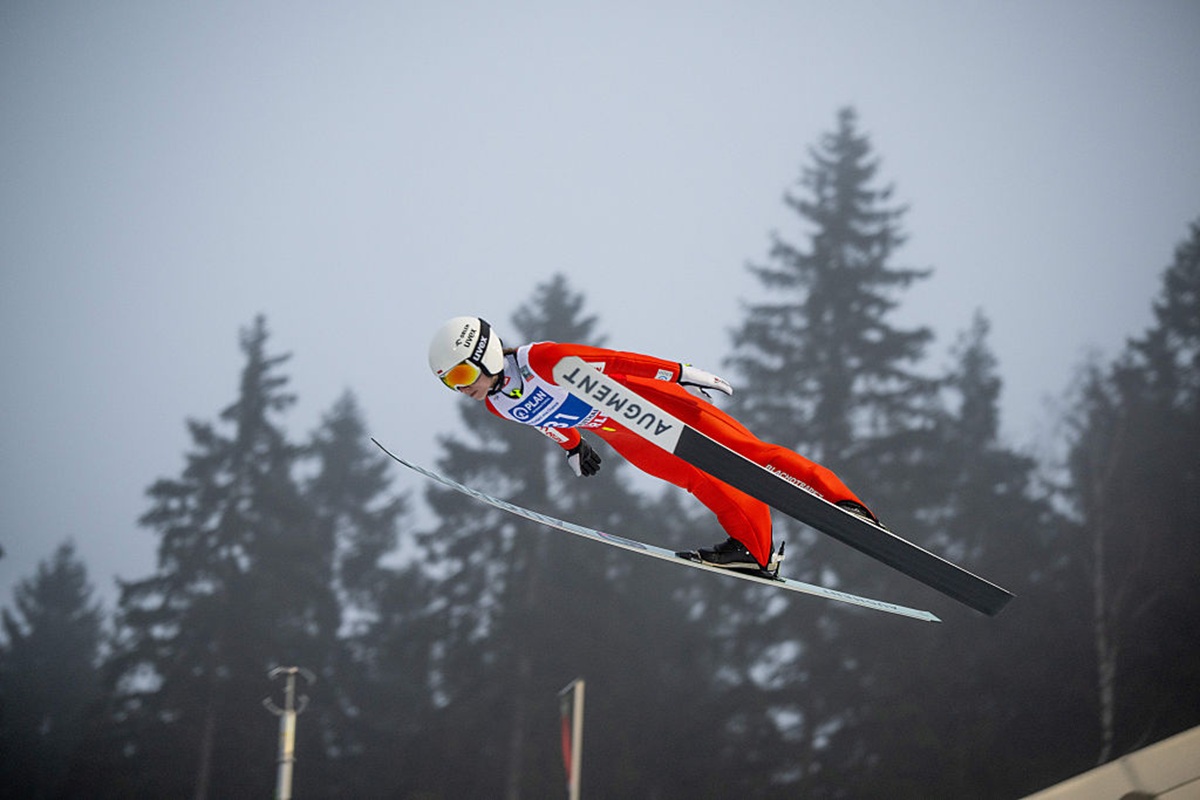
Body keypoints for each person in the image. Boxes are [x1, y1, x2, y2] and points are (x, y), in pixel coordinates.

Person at [428, 316, 881, 578]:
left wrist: (680, 373)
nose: (460, 388)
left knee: (748, 455)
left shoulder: (541, 360)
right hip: (623, 434)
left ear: (486, 355)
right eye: (450, 383)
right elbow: (542, 420)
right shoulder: (498, 406)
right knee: (698, 478)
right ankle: (754, 551)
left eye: (463, 375)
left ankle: (841, 502)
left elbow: (620, 361)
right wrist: (571, 446)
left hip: (655, 405)